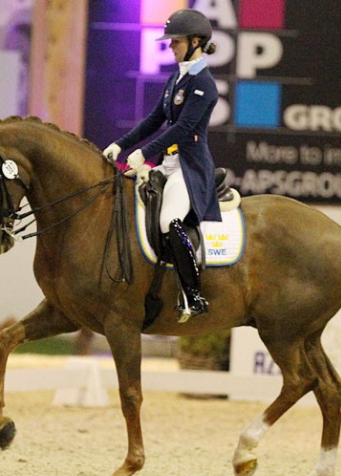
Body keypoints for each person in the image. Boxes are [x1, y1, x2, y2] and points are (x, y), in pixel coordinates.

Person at [102, 8, 221, 322]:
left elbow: (181, 129)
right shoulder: (177, 78)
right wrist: (121, 144)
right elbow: (155, 120)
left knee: (169, 221)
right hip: (167, 164)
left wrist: (144, 154)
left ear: (196, 41)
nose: (171, 47)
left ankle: (193, 294)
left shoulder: (204, 84)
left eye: (177, 42)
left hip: (189, 167)